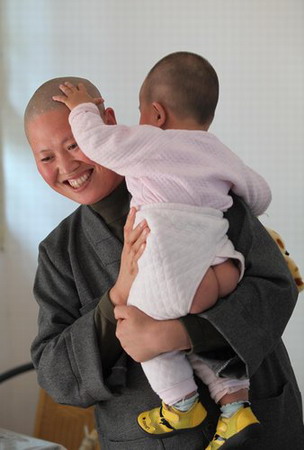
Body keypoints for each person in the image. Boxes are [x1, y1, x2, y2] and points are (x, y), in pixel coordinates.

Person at [25, 74, 304, 449]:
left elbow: (276, 287)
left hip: (262, 425)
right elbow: (55, 373)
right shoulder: (59, 252)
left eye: (74, 144)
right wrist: (116, 299)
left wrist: (178, 334)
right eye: (46, 157)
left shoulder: (191, 182)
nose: (66, 166)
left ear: (105, 122)